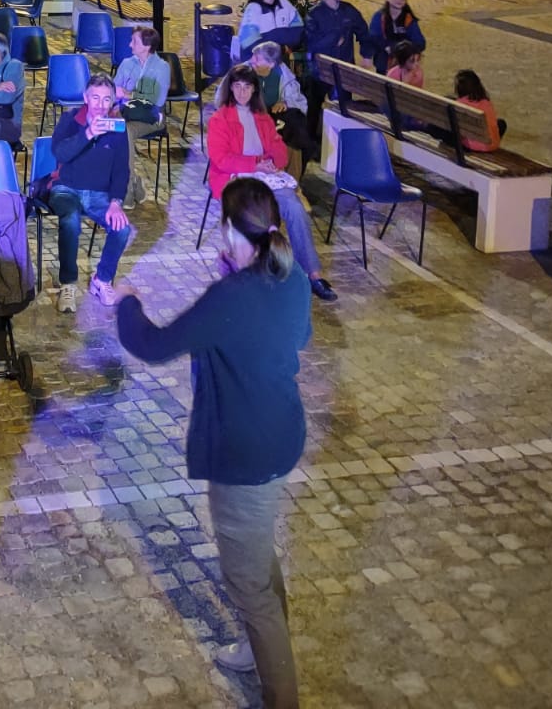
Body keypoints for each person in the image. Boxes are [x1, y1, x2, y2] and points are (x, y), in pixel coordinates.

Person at [115, 177, 310, 708]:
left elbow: (152, 344)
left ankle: (282, 696)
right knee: (258, 553)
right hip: (282, 435)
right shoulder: (291, 277)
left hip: (245, 454)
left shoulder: (230, 297)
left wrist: (127, 302)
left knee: (247, 581)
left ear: (228, 229)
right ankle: (257, 648)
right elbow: (296, 337)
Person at [208, 65, 337, 301]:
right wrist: (255, 163)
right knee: (254, 214)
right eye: (237, 86)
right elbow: (220, 159)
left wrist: (271, 160)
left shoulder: (263, 117)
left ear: (254, 90)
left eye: (247, 87)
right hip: (234, 179)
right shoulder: (220, 119)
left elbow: (280, 153)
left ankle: (312, 274)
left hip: (265, 177)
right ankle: (255, 275)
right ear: (231, 89)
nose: (242, 92)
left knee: (295, 208)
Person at [48, 73, 135, 313]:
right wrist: (87, 134)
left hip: (99, 194)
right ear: (86, 98)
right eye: (95, 98)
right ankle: (68, 284)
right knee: (70, 221)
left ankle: (102, 279)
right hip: (67, 188)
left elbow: (121, 171)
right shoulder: (70, 120)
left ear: (112, 101)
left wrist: (116, 202)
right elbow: (60, 153)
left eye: (106, 99)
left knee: (122, 228)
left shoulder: (117, 128)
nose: (100, 105)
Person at [304, 0, 374, 139]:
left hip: (343, 70)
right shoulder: (315, 14)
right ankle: (310, 142)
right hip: (321, 71)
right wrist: (336, 38)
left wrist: (366, 54)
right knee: (314, 108)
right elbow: (312, 43)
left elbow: (363, 32)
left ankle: (340, 141)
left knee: (344, 109)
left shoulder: (348, 10)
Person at [112, 25, 172, 201]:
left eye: (134, 41)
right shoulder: (127, 64)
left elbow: (158, 100)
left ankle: (127, 188)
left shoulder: (162, 67)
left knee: (125, 131)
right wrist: (117, 93)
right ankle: (131, 183)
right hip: (126, 114)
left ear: (147, 46)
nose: (130, 45)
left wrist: (130, 94)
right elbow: (114, 90)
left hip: (151, 117)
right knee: (111, 128)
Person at [249, 41, 317, 172]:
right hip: (251, 117)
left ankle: (292, 178)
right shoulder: (245, 72)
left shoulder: (284, 77)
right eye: (253, 56)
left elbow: (299, 102)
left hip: (274, 119)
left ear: (271, 64)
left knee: (297, 136)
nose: (252, 61)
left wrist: (285, 102)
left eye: (257, 59)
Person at [239, 0, 304, 54]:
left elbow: (298, 28)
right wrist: (277, 44)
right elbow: (248, 41)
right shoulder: (253, 8)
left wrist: (287, 45)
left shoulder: (283, 2)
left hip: (278, 58)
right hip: (258, 60)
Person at [368, 0, 426, 79]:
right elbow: (375, 37)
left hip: (405, 66)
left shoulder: (409, 19)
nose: (399, 0)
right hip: (384, 63)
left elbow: (420, 42)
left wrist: (400, 50)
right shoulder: (379, 16)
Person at [454, 69, 504, 151]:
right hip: (490, 145)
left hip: (470, 146)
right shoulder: (486, 103)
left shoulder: (459, 103)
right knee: (501, 123)